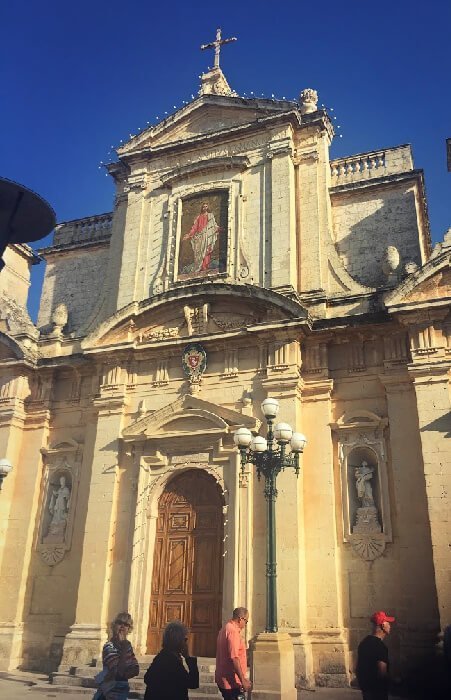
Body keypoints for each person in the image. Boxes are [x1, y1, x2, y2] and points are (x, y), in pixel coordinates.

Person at [143, 620, 199, 700]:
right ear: (178, 640)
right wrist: (188, 658)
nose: (186, 643)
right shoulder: (171, 661)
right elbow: (192, 683)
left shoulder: (163, 656)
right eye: (185, 639)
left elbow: (148, 678)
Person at [93, 612, 139, 700]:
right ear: (114, 626)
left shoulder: (127, 646)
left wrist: (124, 673)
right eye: (119, 623)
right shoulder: (109, 646)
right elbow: (118, 671)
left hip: (121, 692)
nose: (122, 626)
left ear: (129, 629)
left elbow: (135, 669)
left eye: (126, 624)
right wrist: (124, 648)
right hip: (108, 693)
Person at [356, 610, 395, 700]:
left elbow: (358, 668)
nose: (390, 626)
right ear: (383, 626)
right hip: (378, 692)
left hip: (366, 690)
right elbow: (382, 673)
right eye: (388, 623)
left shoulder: (364, 642)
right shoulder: (381, 647)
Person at [215, 607, 251, 700]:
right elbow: (234, 657)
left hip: (224, 679)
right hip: (232, 682)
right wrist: (243, 680)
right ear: (240, 619)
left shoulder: (225, 628)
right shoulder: (233, 632)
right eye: (246, 621)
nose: (245, 625)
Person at [183, 201, 221, 273]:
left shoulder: (210, 215)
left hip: (207, 235)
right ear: (202, 208)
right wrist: (189, 235)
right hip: (200, 237)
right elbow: (194, 228)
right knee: (199, 253)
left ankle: (205, 267)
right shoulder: (198, 217)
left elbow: (213, 225)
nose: (205, 208)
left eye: (206, 206)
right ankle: (199, 267)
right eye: (203, 207)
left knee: (207, 251)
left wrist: (218, 228)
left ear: (208, 207)